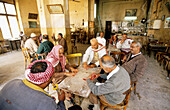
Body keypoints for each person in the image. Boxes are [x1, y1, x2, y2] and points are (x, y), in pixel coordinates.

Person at [0, 60, 66, 110]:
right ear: (47, 80)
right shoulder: (47, 102)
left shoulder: (12, 82)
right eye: (52, 76)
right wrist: (61, 101)